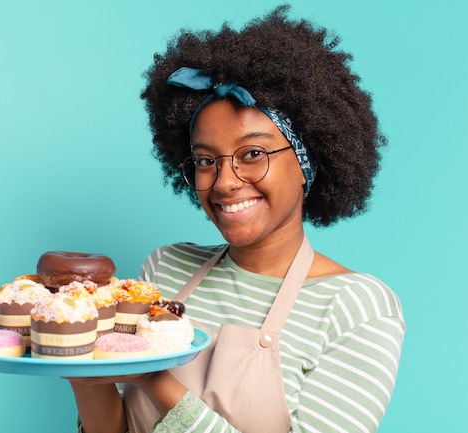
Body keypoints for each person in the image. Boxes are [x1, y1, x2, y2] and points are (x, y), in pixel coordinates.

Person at [68, 4, 405, 432]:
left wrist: (155, 379)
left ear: (307, 162)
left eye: (252, 154)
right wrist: (79, 357)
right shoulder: (165, 268)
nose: (225, 182)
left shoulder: (355, 307)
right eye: (206, 161)